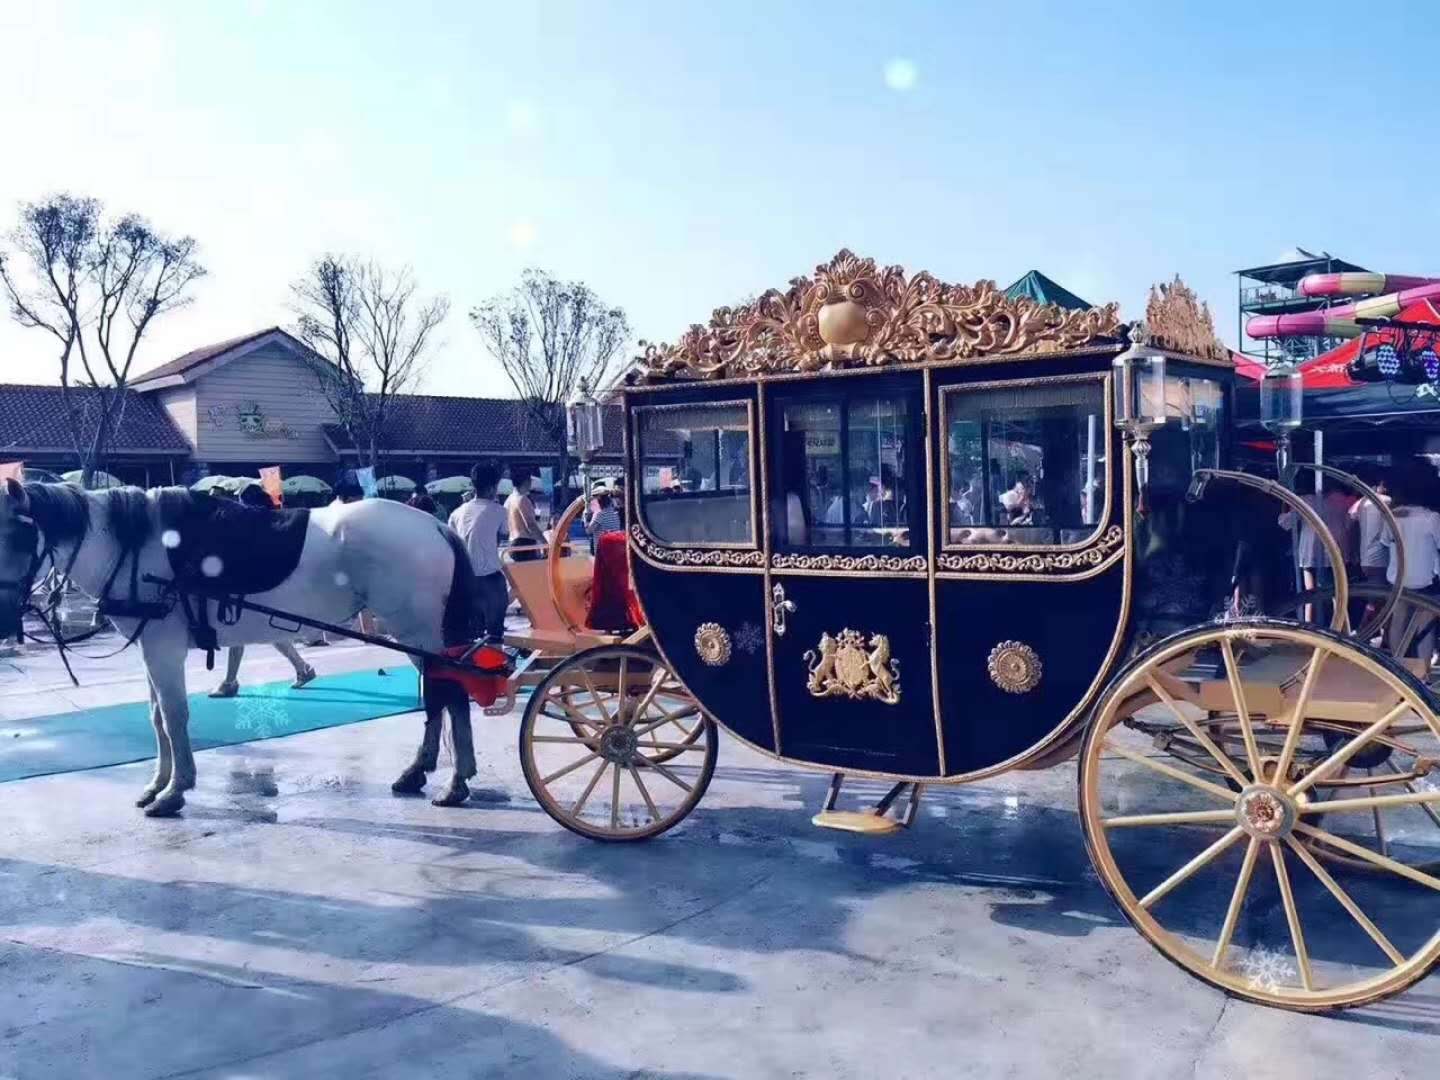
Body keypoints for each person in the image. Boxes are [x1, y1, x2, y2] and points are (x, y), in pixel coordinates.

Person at [210, 483, 317, 697]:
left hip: (254, 586)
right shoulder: (269, 522)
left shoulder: (253, 525)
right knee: (267, 631)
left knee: (239, 632)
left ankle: (230, 682)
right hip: (262, 585)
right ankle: (302, 668)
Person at [1380, 466, 1440, 659]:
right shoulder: (1431, 518)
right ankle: (1423, 668)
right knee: (1425, 625)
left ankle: (1397, 664)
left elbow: (1384, 542)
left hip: (1398, 578)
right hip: (1426, 579)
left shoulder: (1392, 516)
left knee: (1398, 621)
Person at [450, 463, 509, 641]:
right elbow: (503, 534)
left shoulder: (456, 513)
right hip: (490, 579)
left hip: (464, 579)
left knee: (470, 635)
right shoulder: (499, 511)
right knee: (495, 633)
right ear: (492, 488)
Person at [505, 473, 546, 562]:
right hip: (524, 543)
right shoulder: (522, 499)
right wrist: (545, 543)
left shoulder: (508, 500)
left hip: (512, 543)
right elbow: (530, 525)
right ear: (526, 482)